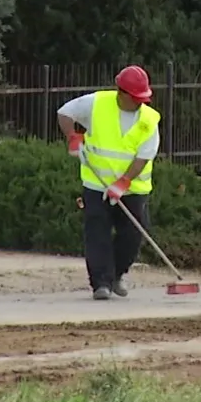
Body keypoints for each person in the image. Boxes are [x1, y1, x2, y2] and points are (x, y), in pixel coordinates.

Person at [57, 65, 161, 300]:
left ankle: (117, 274)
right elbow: (64, 113)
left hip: (134, 187)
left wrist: (123, 182)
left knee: (133, 233)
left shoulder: (149, 119)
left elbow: (144, 156)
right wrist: (73, 137)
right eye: (134, 98)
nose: (139, 103)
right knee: (97, 232)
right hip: (96, 183)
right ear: (121, 93)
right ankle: (101, 283)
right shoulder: (96, 103)